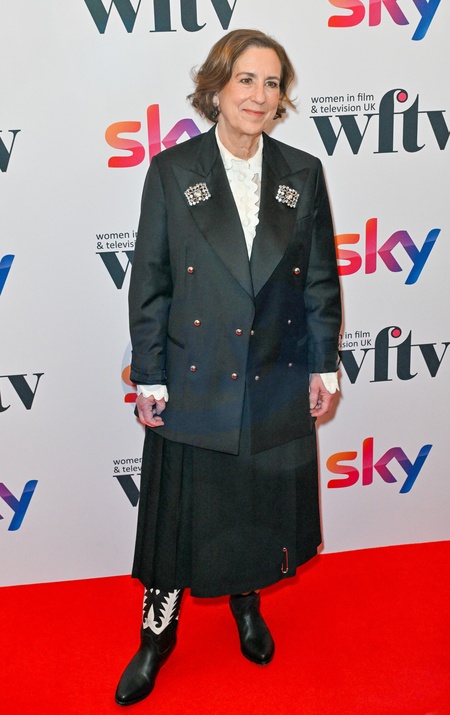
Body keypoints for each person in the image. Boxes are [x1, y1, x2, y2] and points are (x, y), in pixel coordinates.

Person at [115, 28, 341, 707]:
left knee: (252, 504)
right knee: (176, 519)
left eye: (272, 84)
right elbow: (150, 282)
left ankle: (247, 602)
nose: (260, 96)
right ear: (216, 87)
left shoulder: (302, 173)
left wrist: (324, 365)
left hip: (273, 375)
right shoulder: (172, 170)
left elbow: (320, 280)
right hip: (195, 376)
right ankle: (158, 634)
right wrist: (150, 373)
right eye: (246, 79)